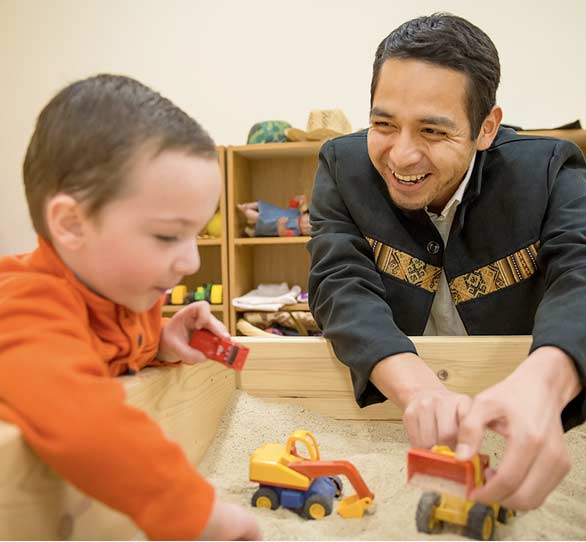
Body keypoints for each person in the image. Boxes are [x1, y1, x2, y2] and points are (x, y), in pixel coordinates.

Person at [307, 13, 586, 512]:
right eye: (383, 124)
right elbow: (339, 281)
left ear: (486, 127)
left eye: (433, 131)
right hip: (396, 404)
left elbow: (581, 271)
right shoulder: (340, 166)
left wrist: (546, 383)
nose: (402, 155)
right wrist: (417, 390)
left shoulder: (549, 170)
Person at [0, 74, 261, 540]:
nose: (192, 261)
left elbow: (105, 347)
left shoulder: (119, 296)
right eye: (167, 235)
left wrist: (162, 340)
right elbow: (79, 415)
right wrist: (195, 511)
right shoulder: (25, 304)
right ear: (72, 224)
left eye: (197, 233)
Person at [237, 195, 311, 237]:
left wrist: (281, 225)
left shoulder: (295, 232)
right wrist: (300, 198)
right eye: (308, 221)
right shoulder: (296, 212)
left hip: (270, 225)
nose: (305, 225)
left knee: (259, 218)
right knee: (260, 205)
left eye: (307, 229)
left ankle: (245, 210)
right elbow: (293, 201)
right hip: (272, 212)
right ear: (306, 214)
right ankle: (246, 206)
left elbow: (283, 234)